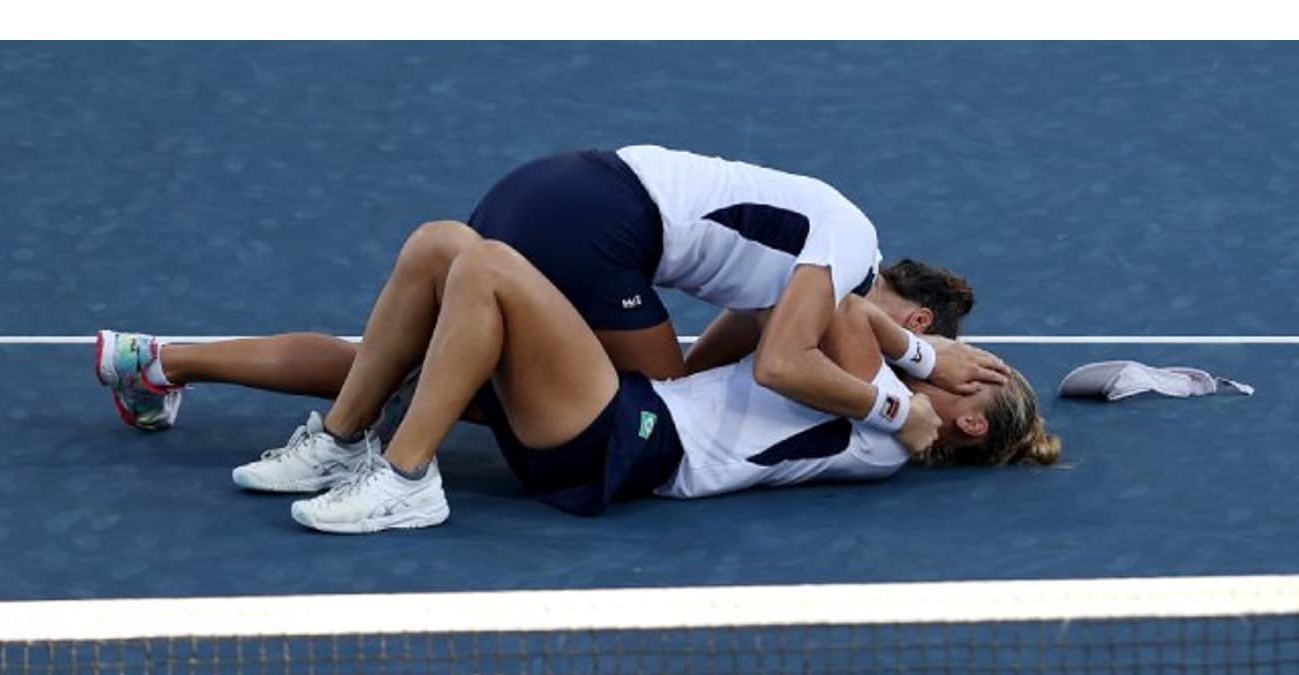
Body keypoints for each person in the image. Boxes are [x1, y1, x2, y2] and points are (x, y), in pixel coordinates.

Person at [160, 222, 1056, 533]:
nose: (966, 369)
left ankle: (403, 480)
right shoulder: (872, 403)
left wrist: (923, 354)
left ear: (969, 422)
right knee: (445, 247)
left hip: (622, 449)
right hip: (629, 415)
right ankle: (332, 437)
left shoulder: (895, 419)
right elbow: (773, 315)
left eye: (979, 376)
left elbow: (845, 308)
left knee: (492, 269)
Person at [95, 145, 1005, 432]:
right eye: (914, 339)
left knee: (399, 359)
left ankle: (161, 359)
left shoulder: (815, 250)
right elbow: (780, 362)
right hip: (597, 230)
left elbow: (738, 336)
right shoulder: (848, 258)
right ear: (914, 311)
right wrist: (907, 395)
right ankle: (406, 451)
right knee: (620, 402)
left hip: (558, 190)